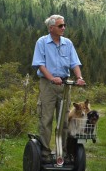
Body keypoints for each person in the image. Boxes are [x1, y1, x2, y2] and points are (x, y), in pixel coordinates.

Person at [32, 15, 85, 161]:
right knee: (46, 119)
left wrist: (79, 78)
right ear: (51, 28)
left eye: (64, 25)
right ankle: (45, 154)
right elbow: (40, 64)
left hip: (64, 85)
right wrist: (51, 78)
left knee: (64, 121)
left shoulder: (68, 43)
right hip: (47, 84)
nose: (64, 28)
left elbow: (74, 63)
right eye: (60, 26)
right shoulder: (42, 42)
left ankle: (64, 153)